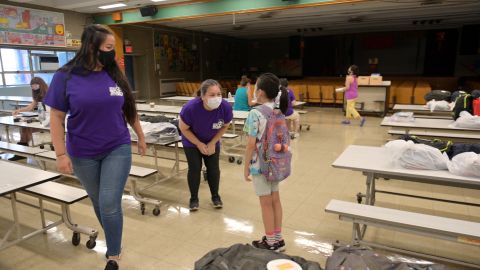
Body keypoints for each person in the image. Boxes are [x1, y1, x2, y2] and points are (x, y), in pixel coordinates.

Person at [44, 24, 147, 270]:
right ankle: (113, 236)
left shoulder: (113, 72)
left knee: (110, 202)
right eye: (108, 48)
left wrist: (140, 136)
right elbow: (56, 117)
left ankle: (113, 254)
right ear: (91, 46)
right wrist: (60, 154)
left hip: (117, 147)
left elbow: (129, 108)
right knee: (99, 202)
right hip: (82, 152)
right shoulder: (65, 76)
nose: (112, 53)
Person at [243, 73, 290, 251]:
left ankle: (270, 242)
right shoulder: (279, 111)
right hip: (277, 162)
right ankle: (278, 238)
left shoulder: (255, 113)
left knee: (265, 202)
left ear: (260, 92)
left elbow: (250, 145)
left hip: (260, 165)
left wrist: (245, 167)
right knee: (275, 199)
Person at [179, 79, 233, 211]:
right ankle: (193, 198)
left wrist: (213, 142)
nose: (217, 98)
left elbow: (225, 126)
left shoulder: (225, 107)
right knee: (194, 168)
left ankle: (215, 196)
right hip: (192, 141)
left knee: (213, 168)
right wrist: (198, 144)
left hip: (211, 140)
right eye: (212, 95)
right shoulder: (190, 108)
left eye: (219, 94)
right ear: (202, 96)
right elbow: (183, 129)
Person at [9, 77, 49, 161]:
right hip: (42, 117)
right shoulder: (37, 94)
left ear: (40, 85)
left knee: (27, 127)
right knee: (24, 127)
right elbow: (30, 107)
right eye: (32, 86)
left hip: (50, 118)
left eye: (35, 86)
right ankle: (22, 150)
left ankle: (22, 151)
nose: (33, 88)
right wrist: (18, 110)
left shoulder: (49, 92)